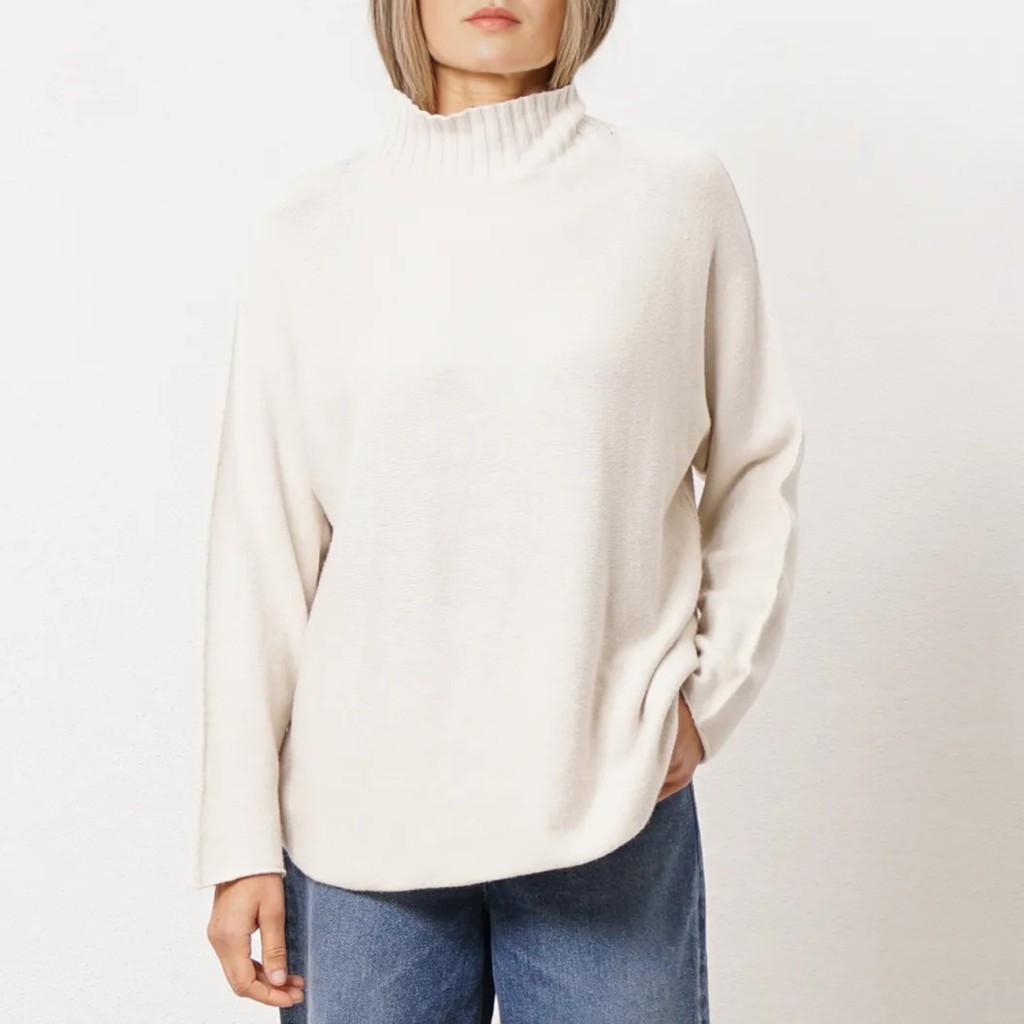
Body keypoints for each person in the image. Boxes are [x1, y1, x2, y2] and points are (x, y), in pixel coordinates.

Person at [194, 0, 805, 1020]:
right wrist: (238, 838)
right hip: (359, 822)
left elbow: (755, 461)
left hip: (609, 799)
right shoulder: (312, 230)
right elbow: (261, 546)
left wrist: (710, 693)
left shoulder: (674, 199)